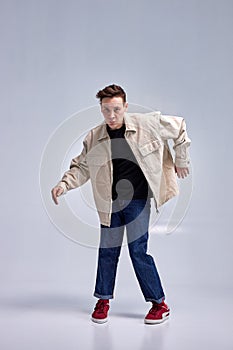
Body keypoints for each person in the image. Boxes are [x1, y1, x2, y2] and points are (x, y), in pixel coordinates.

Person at [51, 84, 191, 324]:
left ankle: (159, 303)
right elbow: (81, 167)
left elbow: (180, 128)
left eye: (116, 109)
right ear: (101, 109)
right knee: (107, 251)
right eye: (106, 110)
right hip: (109, 204)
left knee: (138, 251)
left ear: (125, 106)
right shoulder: (94, 137)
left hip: (137, 201)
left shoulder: (147, 124)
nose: (112, 116)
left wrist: (181, 159)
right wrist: (63, 185)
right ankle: (103, 300)